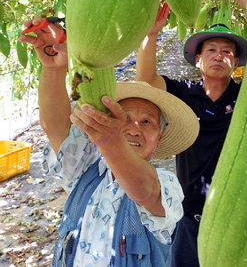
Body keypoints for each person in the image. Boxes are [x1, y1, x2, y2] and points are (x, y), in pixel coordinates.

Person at [19, 17, 199, 266]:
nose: (134, 128)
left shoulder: (166, 185)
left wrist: (111, 141)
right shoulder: (85, 173)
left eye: (147, 122)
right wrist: (53, 68)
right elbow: (55, 128)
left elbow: (145, 192)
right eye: (125, 118)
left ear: (159, 140)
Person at [136, 0, 247, 267]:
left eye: (227, 52)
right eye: (211, 50)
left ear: (236, 63)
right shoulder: (185, 92)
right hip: (189, 214)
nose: (219, 56)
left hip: (233, 213)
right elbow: (147, 81)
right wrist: (150, 34)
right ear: (198, 59)